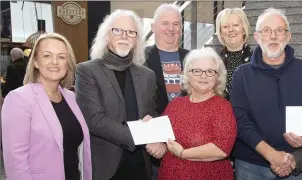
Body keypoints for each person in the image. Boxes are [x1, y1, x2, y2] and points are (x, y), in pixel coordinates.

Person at [230, 7, 302, 180]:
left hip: (295, 163)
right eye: (266, 31)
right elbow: (240, 121)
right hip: (251, 166)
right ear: (257, 37)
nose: (273, 36)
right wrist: (272, 155)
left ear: (288, 36)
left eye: (279, 30)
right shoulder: (242, 74)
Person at [75, 9, 166, 180]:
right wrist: (143, 137)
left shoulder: (147, 75)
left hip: (141, 166)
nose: (124, 36)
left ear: (137, 40)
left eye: (131, 32)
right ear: (107, 35)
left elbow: (151, 113)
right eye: (118, 30)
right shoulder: (87, 71)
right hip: (106, 168)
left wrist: (157, 136)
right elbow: (94, 120)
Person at [1, 33, 92, 180]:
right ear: (35, 62)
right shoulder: (19, 99)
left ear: (67, 65)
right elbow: (16, 164)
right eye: (47, 55)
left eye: (61, 57)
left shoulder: (71, 98)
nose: (55, 62)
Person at [157, 47, 237, 180]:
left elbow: (221, 149)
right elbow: (160, 133)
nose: (203, 76)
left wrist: (183, 153)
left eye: (210, 71)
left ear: (218, 77)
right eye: (197, 71)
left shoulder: (222, 107)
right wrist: (148, 124)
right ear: (187, 75)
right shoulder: (175, 105)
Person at [144, 5, 189, 177]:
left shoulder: (193, 58)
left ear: (181, 29)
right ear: (153, 27)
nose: (171, 29)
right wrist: (153, 137)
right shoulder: (140, 59)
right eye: (165, 23)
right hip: (156, 148)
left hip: (190, 145)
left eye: (176, 24)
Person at [215, 8, 252, 100]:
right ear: (221, 33)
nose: (231, 30)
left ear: (244, 29)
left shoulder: (259, 60)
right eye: (226, 26)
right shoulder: (214, 63)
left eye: (235, 25)